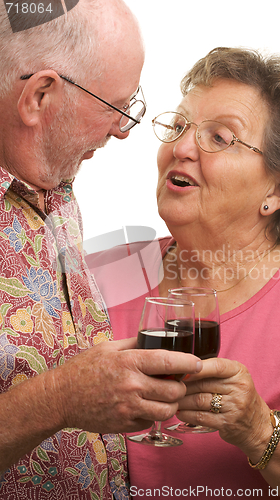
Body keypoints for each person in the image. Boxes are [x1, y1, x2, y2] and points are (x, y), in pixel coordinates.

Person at [88, 47, 280, 499]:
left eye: (220, 138)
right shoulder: (106, 266)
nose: (180, 148)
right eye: (179, 127)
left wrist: (261, 431)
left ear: (278, 189)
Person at [0, 2, 202, 499]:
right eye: (115, 107)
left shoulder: (56, 186)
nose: (122, 130)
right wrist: (59, 399)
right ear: (39, 96)